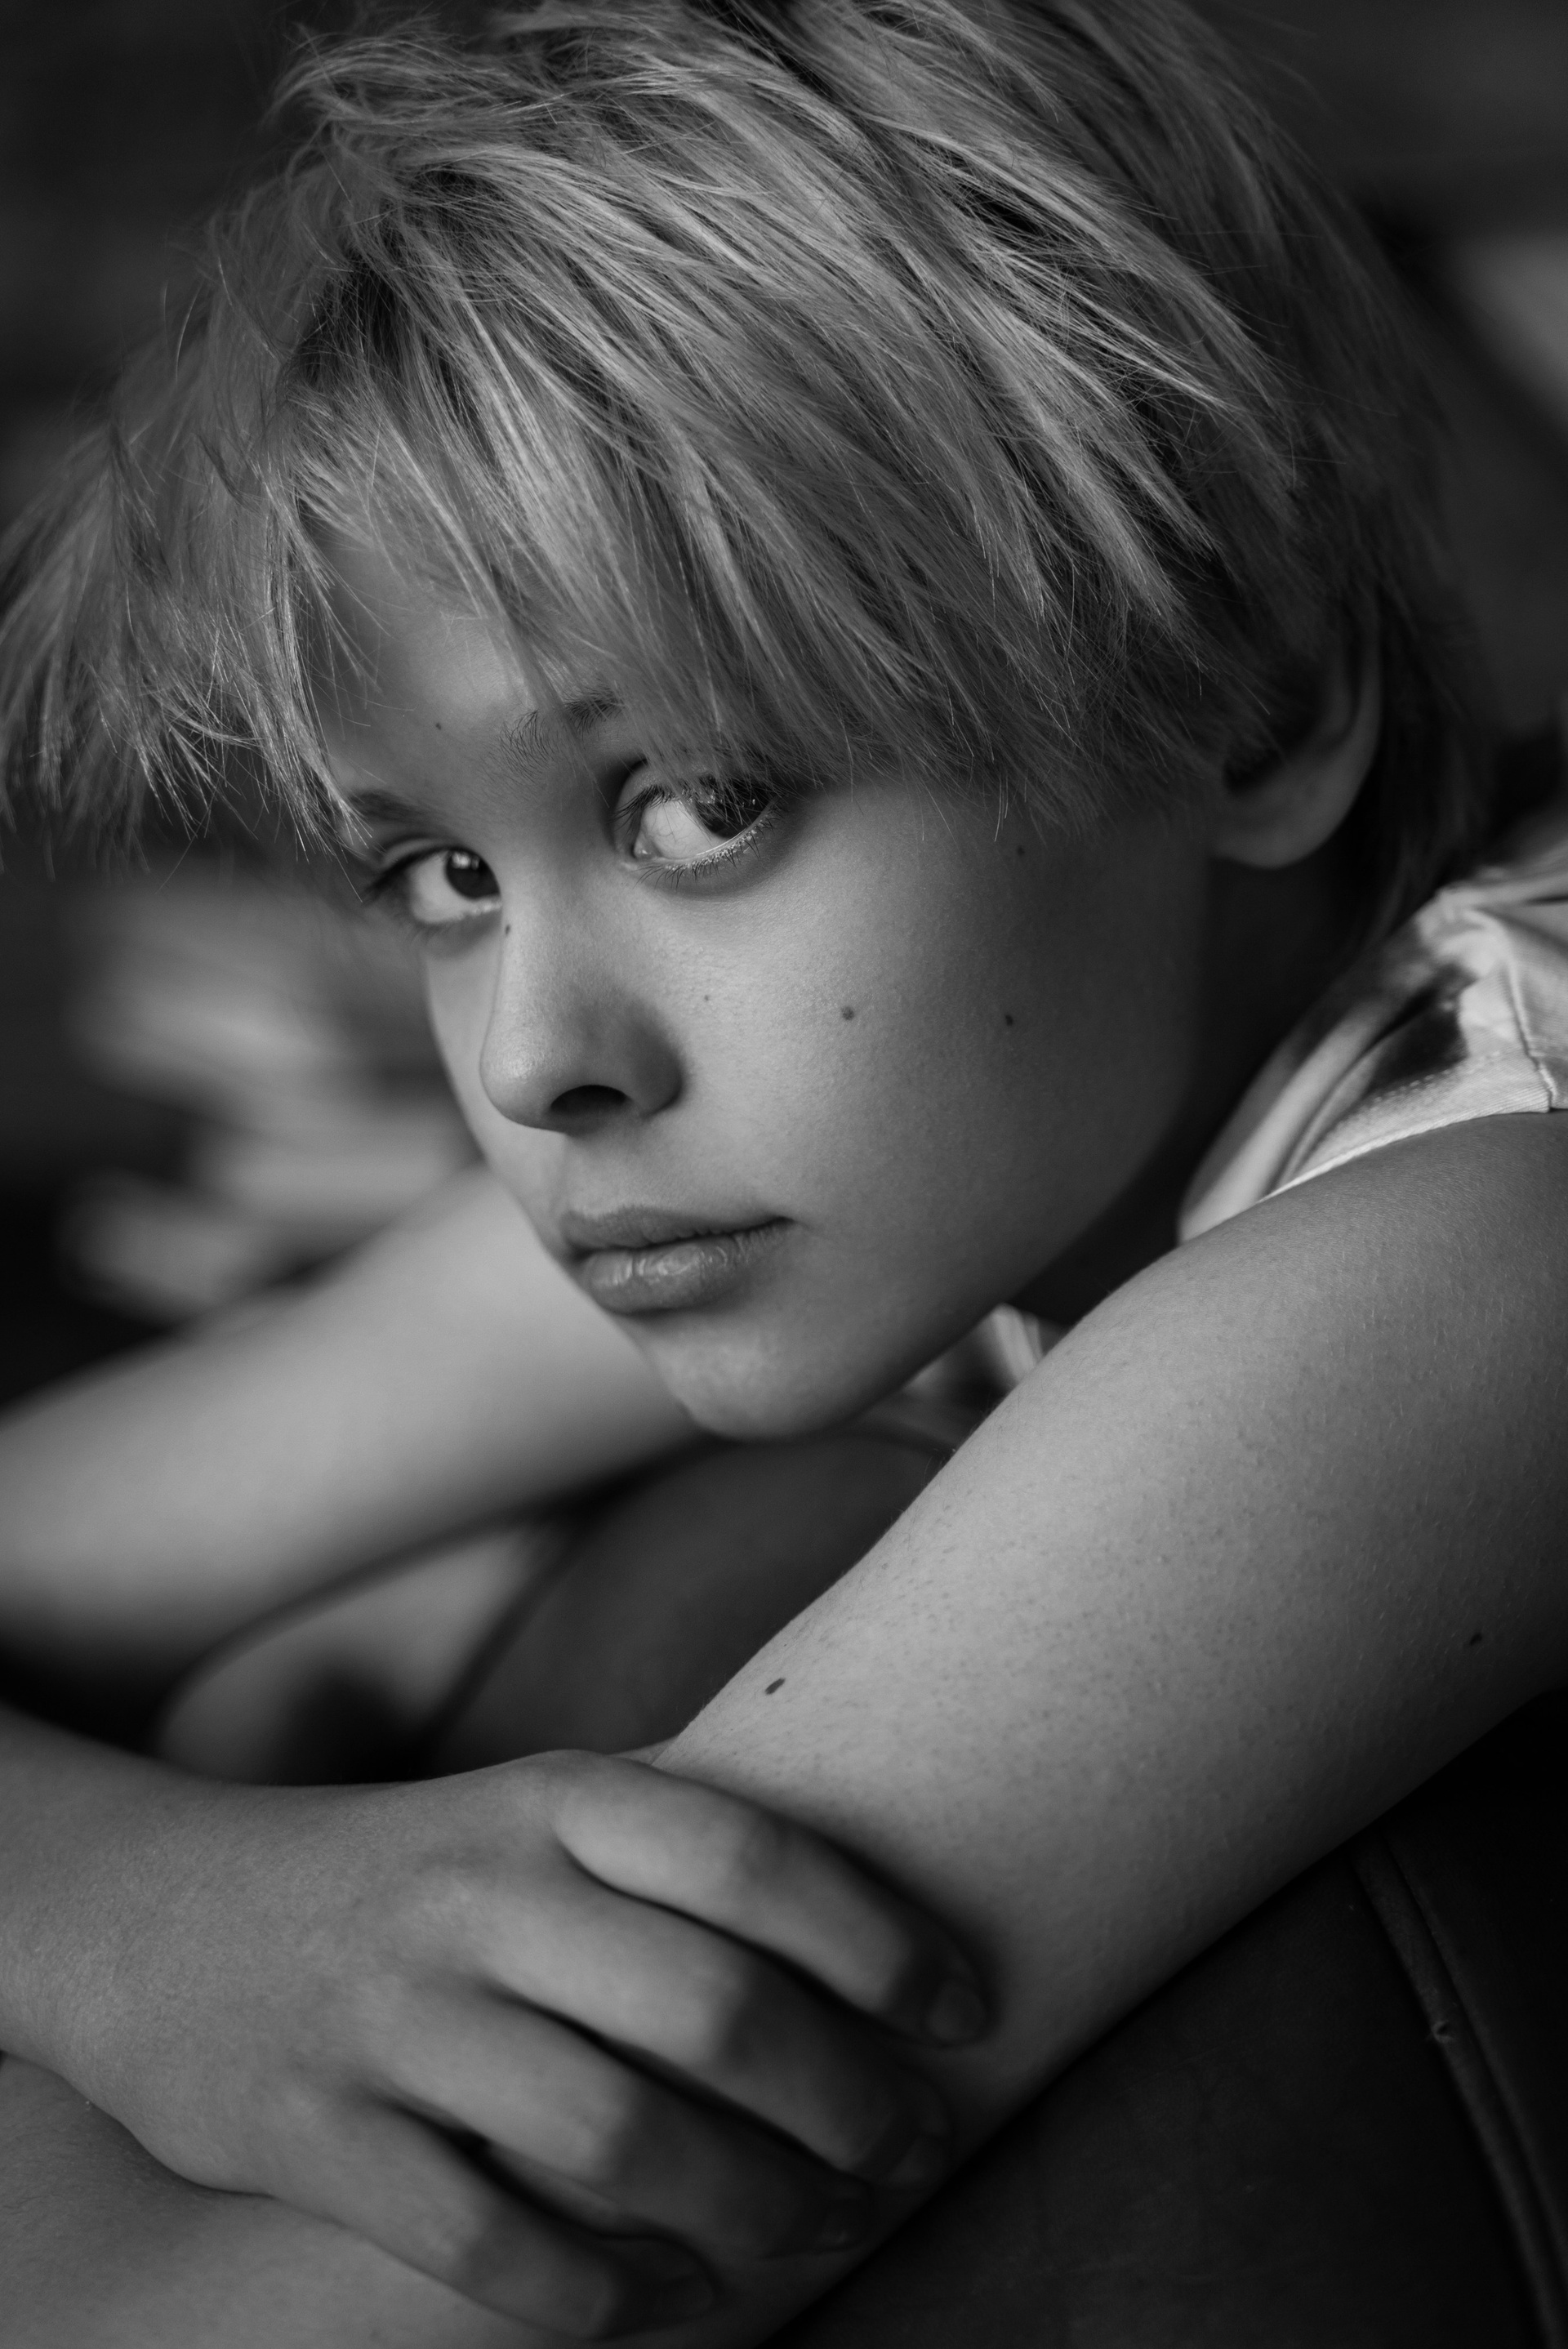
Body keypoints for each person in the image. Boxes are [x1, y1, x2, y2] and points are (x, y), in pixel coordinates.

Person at [1, 0, 1566, 2341]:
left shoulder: (1485, 1238)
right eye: (440, 875)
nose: (536, 1062)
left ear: (1248, 704)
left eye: (700, 808)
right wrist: (129, 1908)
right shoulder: (883, 1128)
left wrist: (142, 1933)